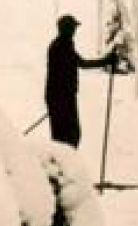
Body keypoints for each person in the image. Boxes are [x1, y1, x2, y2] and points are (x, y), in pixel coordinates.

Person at [45, 15, 119, 148]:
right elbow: (82, 63)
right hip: (60, 98)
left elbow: (80, 64)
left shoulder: (63, 44)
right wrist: (106, 60)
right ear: (66, 29)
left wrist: (106, 60)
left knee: (69, 136)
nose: (75, 31)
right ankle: (63, 165)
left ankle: (65, 164)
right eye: (73, 28)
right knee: (68, 137)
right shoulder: (61, 46)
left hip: (62, 97)